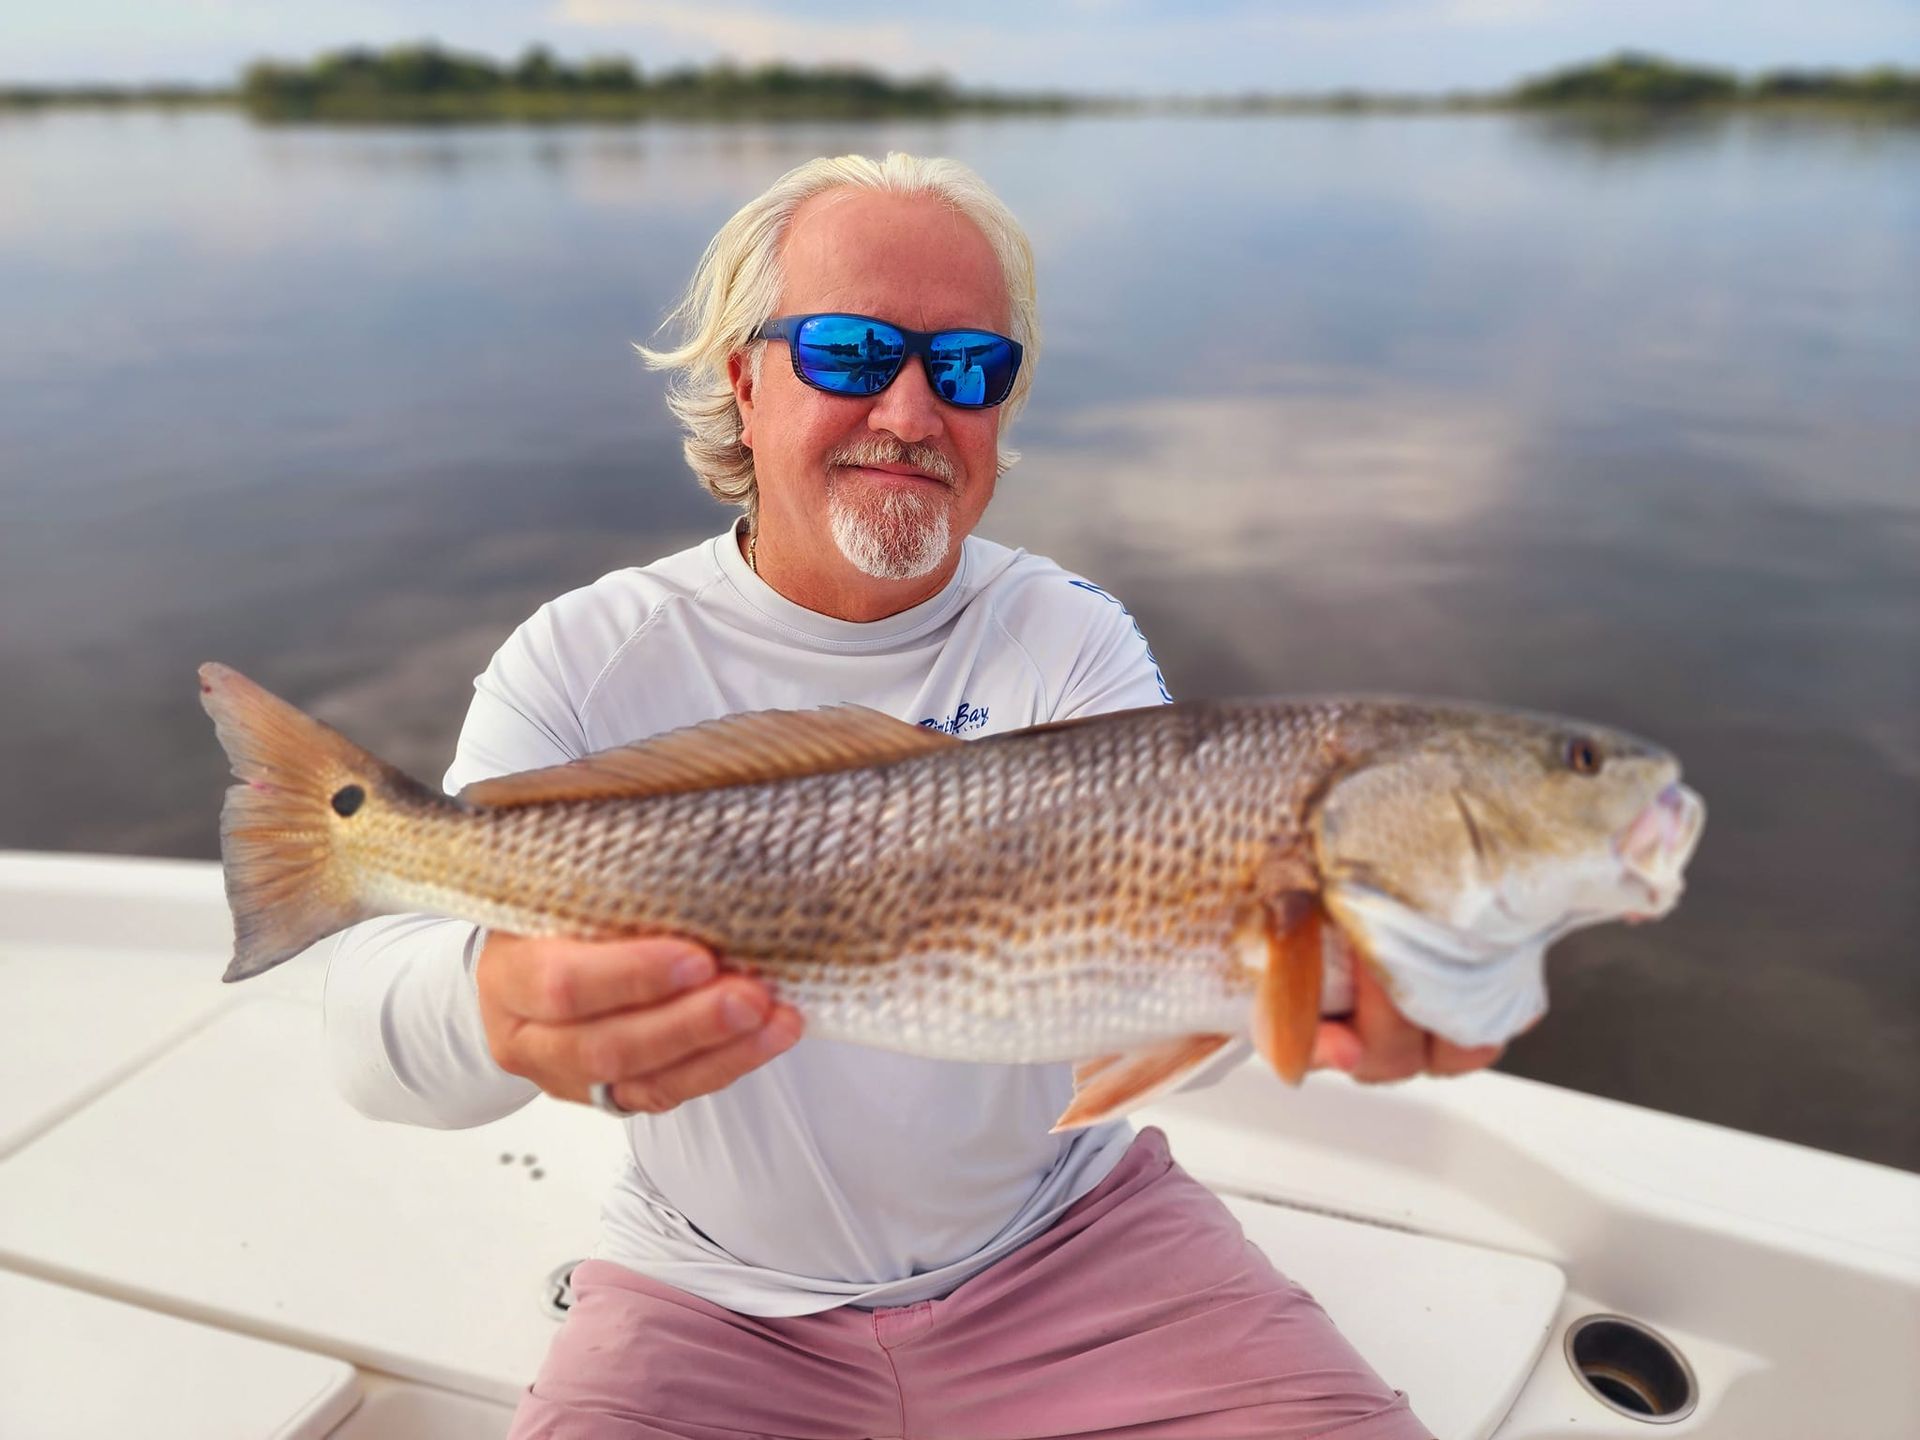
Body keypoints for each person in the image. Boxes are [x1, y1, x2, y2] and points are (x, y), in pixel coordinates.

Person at [324, 153, 1494, 1439]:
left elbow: (1145, 1017)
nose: (912, 409)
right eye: (847, 351)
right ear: (743, 381)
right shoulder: (586, 658)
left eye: (969, 369)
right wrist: (490, 1005)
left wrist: (1340, 980)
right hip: (707, 1289)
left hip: (1078, 1242)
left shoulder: (1070, 641)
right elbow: (373, 1046)